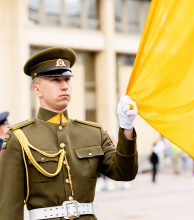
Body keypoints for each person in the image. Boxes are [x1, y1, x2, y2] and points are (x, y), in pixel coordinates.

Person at [0, 47, 138, 220]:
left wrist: (127, 128)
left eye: (67, 79)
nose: (64, 86)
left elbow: (124, 173)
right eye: (55, 80)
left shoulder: (93, 132)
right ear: (37, 90)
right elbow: (8, 207)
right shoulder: (19, 138)